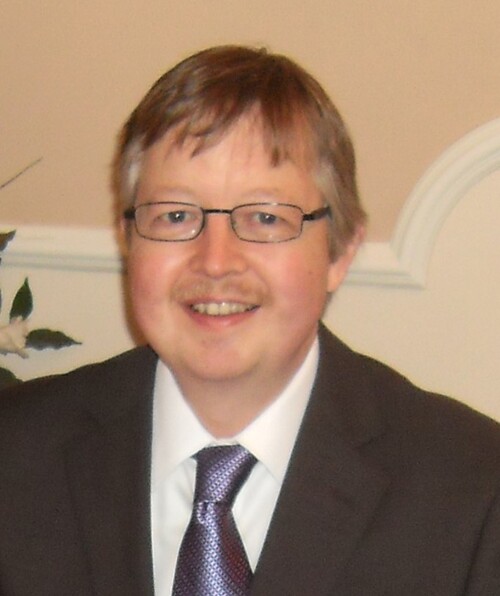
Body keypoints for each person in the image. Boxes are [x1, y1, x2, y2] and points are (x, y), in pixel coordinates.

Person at [0, 45, 499, 596]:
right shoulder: (15, 457)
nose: (216, 262)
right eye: (175, 216)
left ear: (339, 252)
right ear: (128, 239)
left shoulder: (472, 492)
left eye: (265, 218)